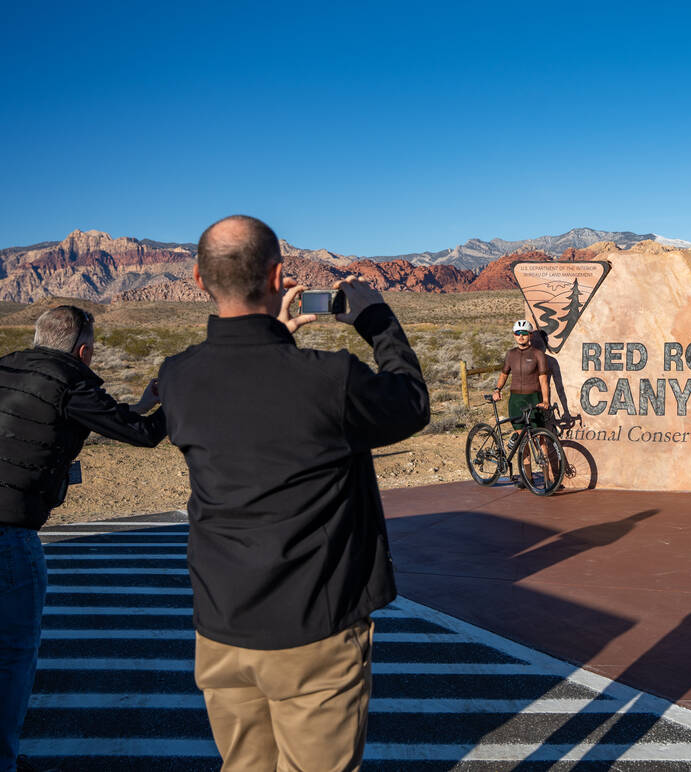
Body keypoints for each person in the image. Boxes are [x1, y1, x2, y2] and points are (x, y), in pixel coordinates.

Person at [157, 215, 429, 770]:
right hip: (314, 631)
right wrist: (378, 321)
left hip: (220, 629)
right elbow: (411, 402)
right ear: (280, 276)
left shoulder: (177, 377)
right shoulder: (329, 378)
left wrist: (275, 338)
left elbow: (246, 386)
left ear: (197, 278)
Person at [0, 306, 164, 772]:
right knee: (12, 656)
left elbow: (72, 421)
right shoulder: (72, 380)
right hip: (9, 534)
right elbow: (144, 436)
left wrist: (139, 403)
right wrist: (174, 403)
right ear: (85, 349)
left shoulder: (9, 365)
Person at [492, 319, 550, 485]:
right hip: (516, 400)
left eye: (524, 333)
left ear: (530, 335)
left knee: (540, 438)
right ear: (514, 335)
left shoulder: (539, 354)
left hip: (534, 398)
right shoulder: (511, 354)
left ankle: (547, 479)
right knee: (522, 439)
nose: (521, 336)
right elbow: (504, 374)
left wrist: (545, 400)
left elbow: (543, 380)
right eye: (518, 333)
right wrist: (497, 390)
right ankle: (528, 478)